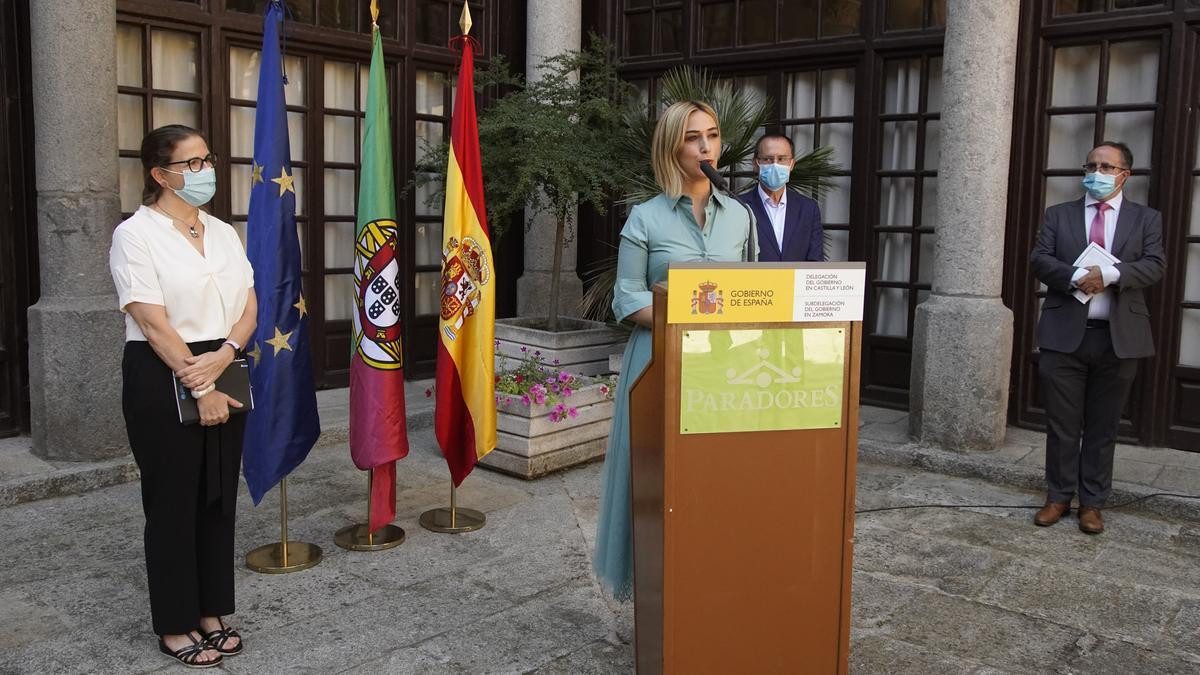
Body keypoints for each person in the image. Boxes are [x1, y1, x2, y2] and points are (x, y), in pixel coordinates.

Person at [592, 101, 754, 599]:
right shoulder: (645, 217)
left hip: (724, 365)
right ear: (671, 147)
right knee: (656, 478)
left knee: (715, 475)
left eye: (712, 134)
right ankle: (654, 587)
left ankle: (709, 579)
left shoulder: (742, 216)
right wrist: (688, 315)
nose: (706, 146)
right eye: (692, 137)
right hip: (658, 360)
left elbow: (754, 290)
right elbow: (627, 297)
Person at [109, 125, 256, 667]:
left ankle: (212, 610)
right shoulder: (136, 234)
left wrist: (228, 354)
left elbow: (249, 301)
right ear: (160, 174)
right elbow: (150, 320)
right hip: (165, 365)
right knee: (172, 501)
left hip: (225, 358)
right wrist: (202, 383)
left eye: (206, 160)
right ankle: (175, 622)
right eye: (192, 163)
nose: (205, 172)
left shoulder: (221, 231)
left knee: (218, 496)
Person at [1029, 140, 1165, 535]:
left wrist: (1108, 274)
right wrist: (1075, 275)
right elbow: (1040, 259)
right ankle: (1058, 497)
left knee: (1104, 427)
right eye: (1090, 166)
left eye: (1106, 167)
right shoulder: (1059, 215)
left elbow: (1155, 265)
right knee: (1062, 424)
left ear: (1125, 174)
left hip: (1118, 339)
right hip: (1064, 337)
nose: (1096, 174)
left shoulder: (1146, 219)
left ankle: (1092, 503)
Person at [740, 133, 824, 262]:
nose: (775, 164)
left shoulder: (808, 209)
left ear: (791, 164)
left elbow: (815, 261)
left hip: (796, 282)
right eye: (768, 159)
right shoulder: (739, 206)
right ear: (756, 164)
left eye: (782, 159)